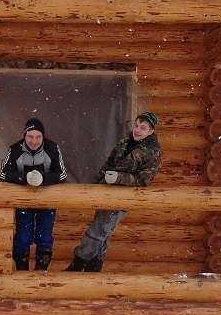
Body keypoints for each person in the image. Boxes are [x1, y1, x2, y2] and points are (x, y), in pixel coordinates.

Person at [67, 112, 162, 272]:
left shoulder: (153, 152)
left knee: (97, 231)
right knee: (103, 232)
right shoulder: (125, 142)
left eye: (143, 128)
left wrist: (119, 178)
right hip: (106, 191)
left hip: (123, 198)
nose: (137, 130)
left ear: (151, 131)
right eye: (137, 125)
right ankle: (94, 268)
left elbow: (143, 180)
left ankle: (79, 263)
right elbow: (108, 164)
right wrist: (95, 185)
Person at [0, 117, 69, 270]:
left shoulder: (52, 148)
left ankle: (40, 273)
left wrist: (43, 178)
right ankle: (22, 273)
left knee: (45, 238)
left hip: (47, 202)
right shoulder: (15, 149)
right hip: (23, 202)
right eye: (30, 136)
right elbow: (1, 175)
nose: (34, 141)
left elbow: (62, 175)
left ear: (43, 137)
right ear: (24, 135)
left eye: (38, 137)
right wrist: (24, 178)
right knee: (23, 237)